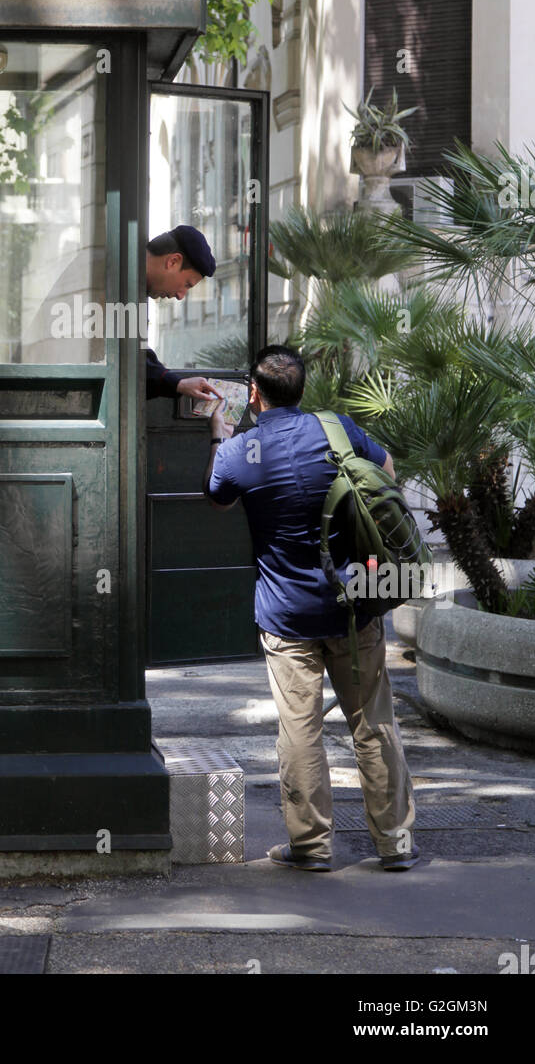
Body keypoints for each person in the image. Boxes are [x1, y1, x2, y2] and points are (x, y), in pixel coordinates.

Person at [202, 343, 417, 873]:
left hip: (287, 617)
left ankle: (312, 847)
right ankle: (394, 843)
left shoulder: (241, 450)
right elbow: (389, 471)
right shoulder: (337, 429)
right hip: (355, 607)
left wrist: (219, 433)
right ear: (301, 390)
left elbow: (217, 495)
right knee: (373, 723)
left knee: (300, 730)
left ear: (254, 394)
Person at [145, 226, 220, 403]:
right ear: (173, 262)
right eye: (187, 284)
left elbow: (136, 356)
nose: (180, 296)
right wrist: (177, 383)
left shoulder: (131, 286)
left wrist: (178, 382)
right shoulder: (117, 283)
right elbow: (127, 362)